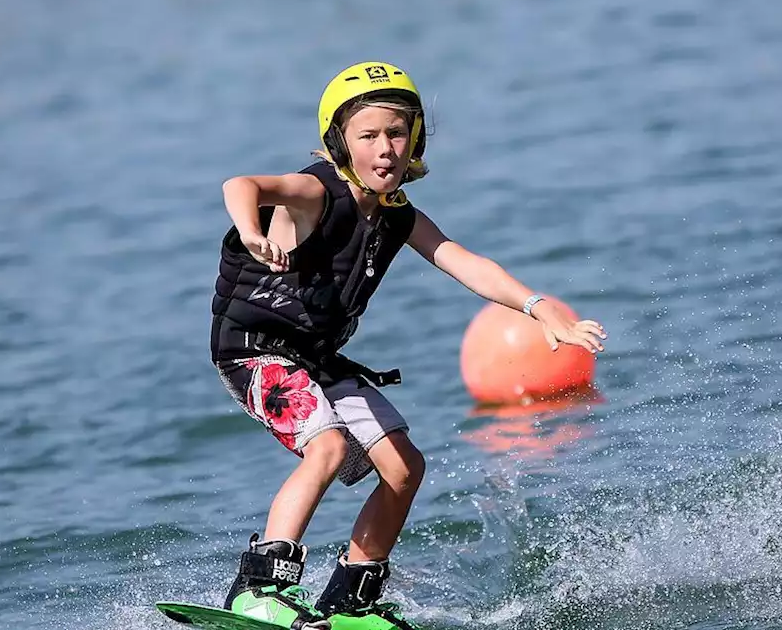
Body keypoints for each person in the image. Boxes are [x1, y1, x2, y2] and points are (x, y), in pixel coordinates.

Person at [209, 61, 606, 629]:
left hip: (316, 359)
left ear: (414, 138)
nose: (385, 148)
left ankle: (351, 595)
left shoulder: (397, 216)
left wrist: (537, 306)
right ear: (339, 141)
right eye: (368, 135)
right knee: (325, 449)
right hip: (255, 349)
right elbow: (240, 185)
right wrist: (252, 229)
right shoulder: (315, 192)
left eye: (397, 133)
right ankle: (259, 588)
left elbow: (462, 261)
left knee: (403, 466)